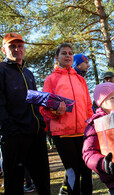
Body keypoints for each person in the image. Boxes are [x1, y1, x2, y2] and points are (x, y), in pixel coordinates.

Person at [40, 43, 93, 195]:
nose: (68, 55)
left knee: (87, 173)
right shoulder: (51, 79)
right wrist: (56, 111)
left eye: (70, 53)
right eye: (64, 53)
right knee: (73, 173)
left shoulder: (81, 80)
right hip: (63, 135)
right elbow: (43, 108)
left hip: (83, 133)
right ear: (57, 57)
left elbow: (88, 106)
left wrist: (91, 127)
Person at [0, 32, 50, 194]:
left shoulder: (28, 73)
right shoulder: (1, 70)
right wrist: (11, 130)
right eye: (12, 46)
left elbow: (34, 100)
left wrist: (42, 122)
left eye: (20, 46)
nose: (17, 49)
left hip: (36, 134)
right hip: (15, 136)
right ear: (3, 50)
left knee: (43, 181)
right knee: (14, 184)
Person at [59, 53, 92, 195]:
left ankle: (64, 189)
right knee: (74, 168)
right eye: (85, 62)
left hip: (83, 128)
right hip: (67, 132)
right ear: (77, 64)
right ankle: (65, 189)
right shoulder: (64, 79)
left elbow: (87, 104)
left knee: (83, 168)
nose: (88, 65)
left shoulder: (81, 80)